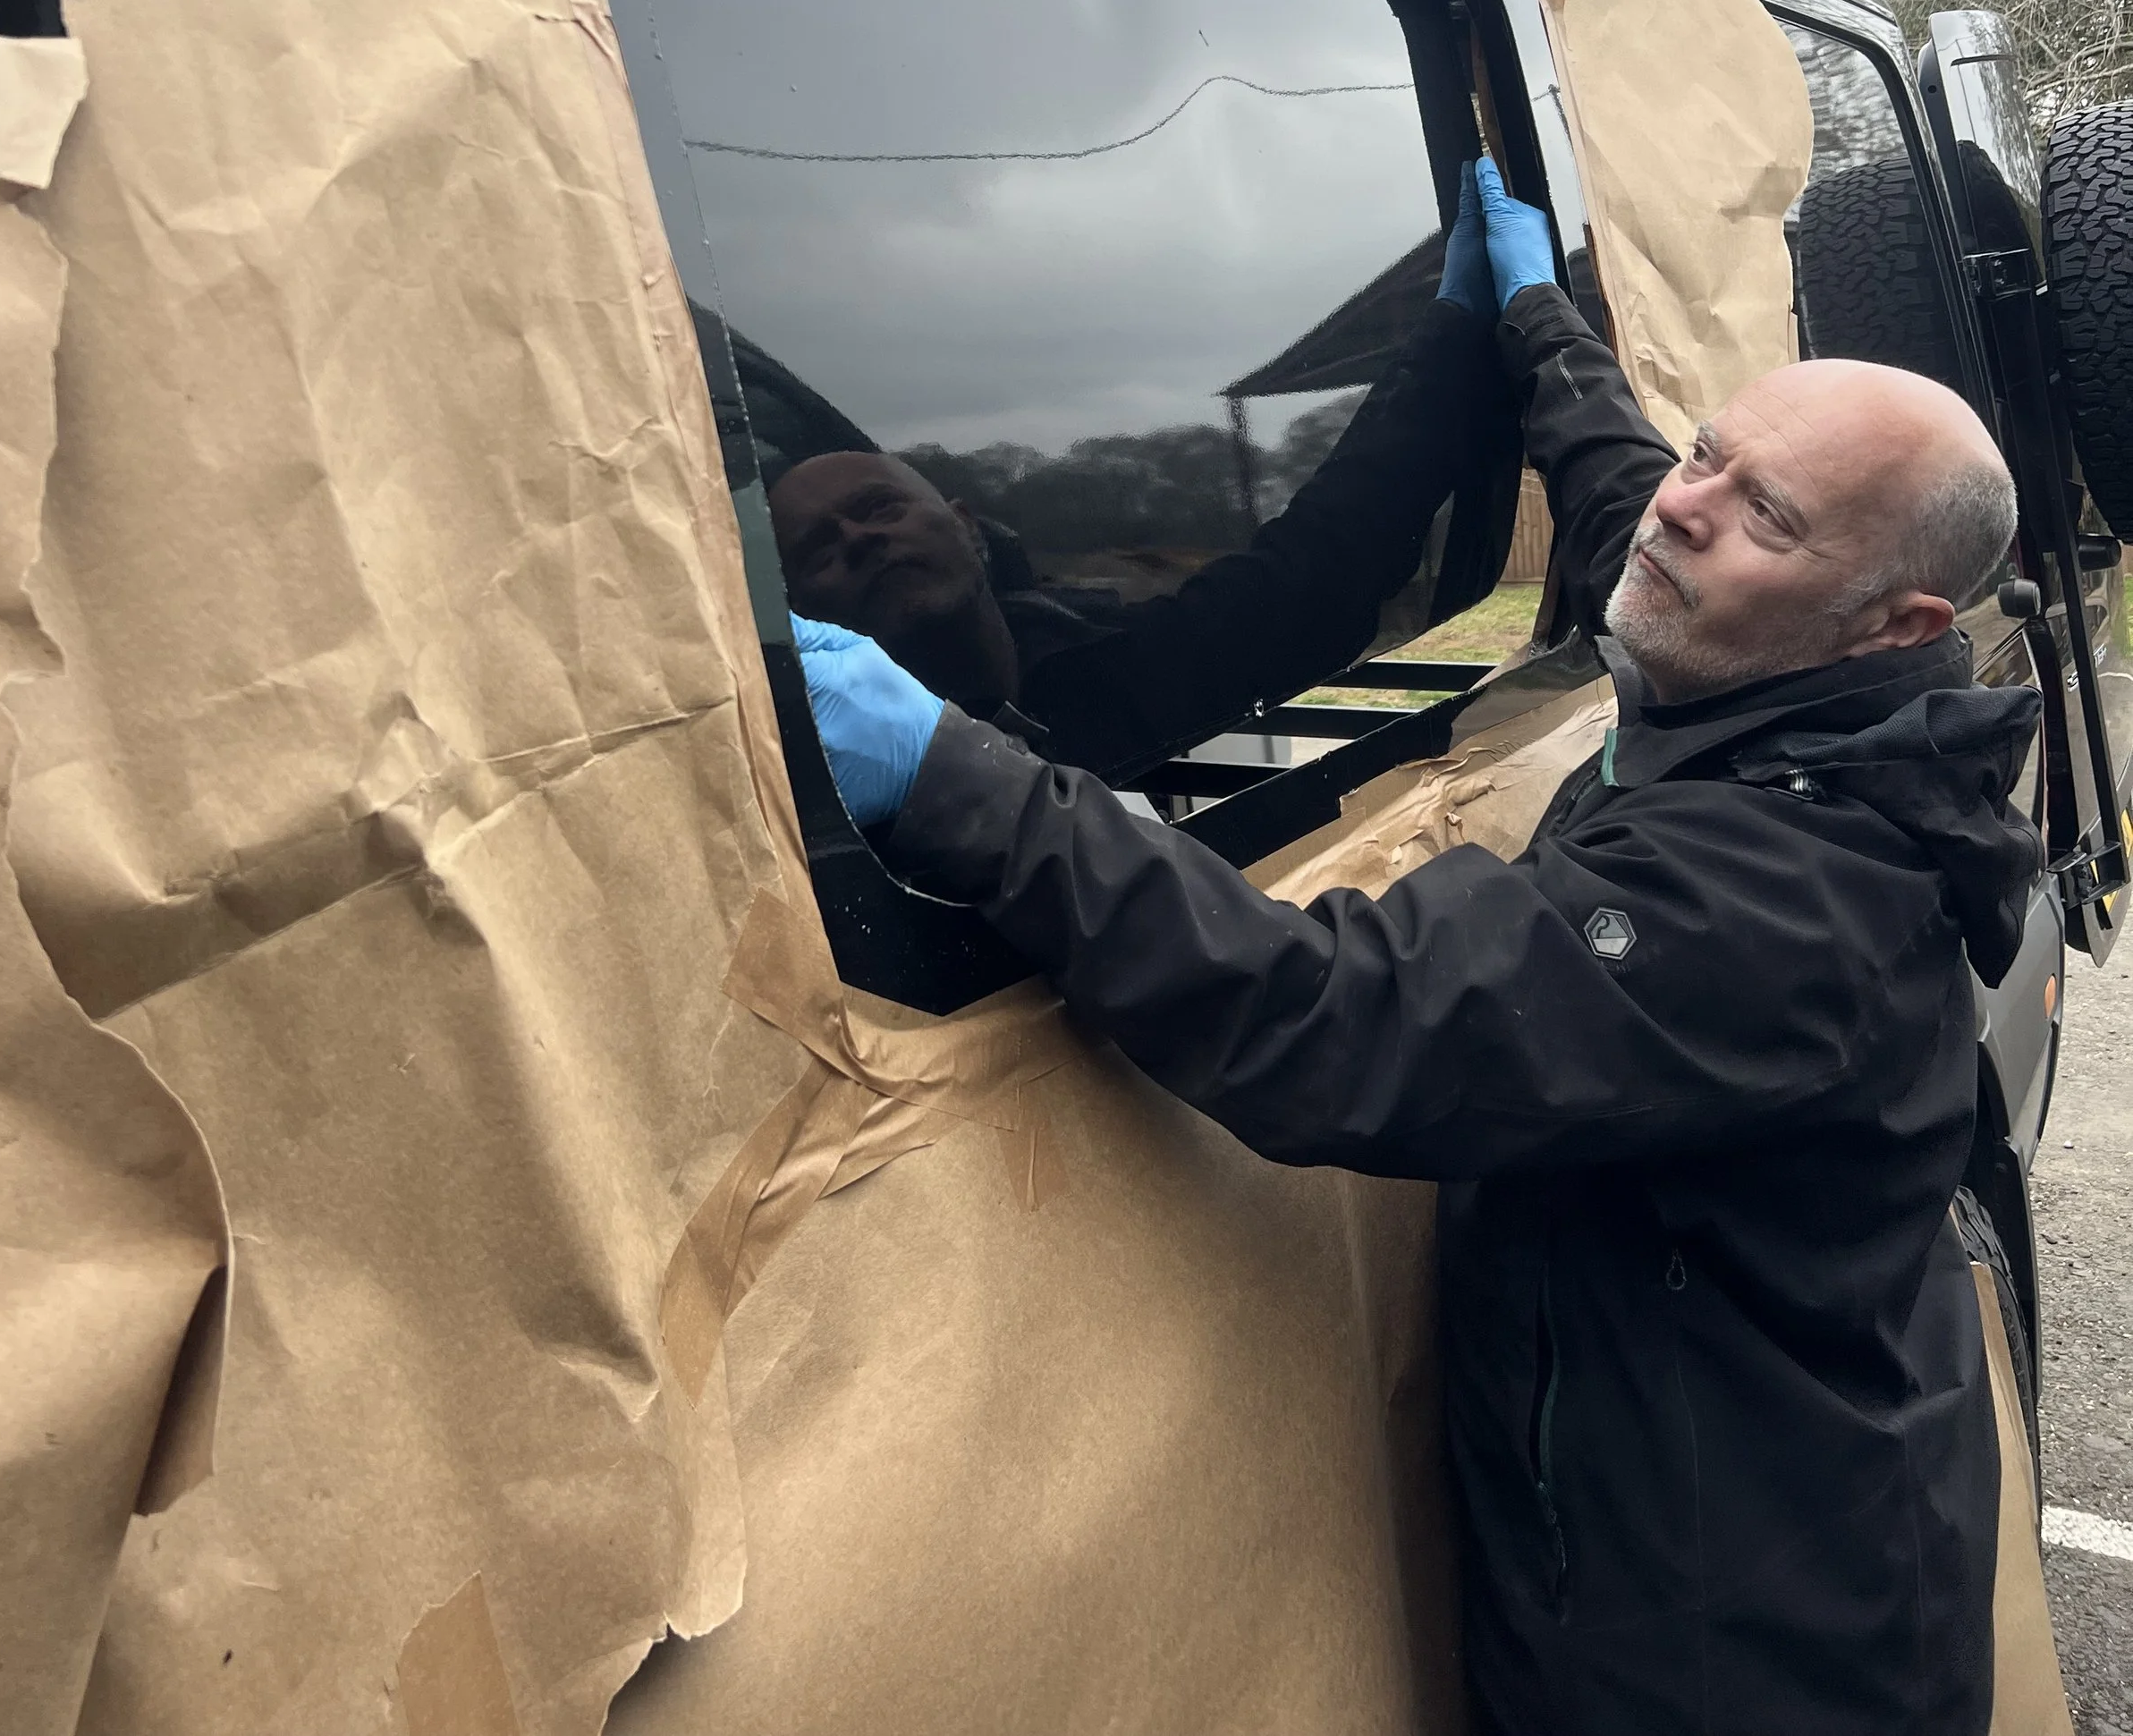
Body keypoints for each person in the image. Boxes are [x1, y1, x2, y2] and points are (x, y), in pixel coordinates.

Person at [792, 161, 2037, 1736]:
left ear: (1894, 624)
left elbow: (1339, 1015)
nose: (1685, 504)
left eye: (1764, 511)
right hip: (1713, 1527)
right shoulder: (1761, 655)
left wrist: (947, 771)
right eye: (1710, 447)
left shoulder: (1791, 893)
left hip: (1746, 1654)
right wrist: (1519, 313)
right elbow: (1615, 493)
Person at [767, 269, 1520, 787]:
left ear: (969, 529)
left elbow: (1325, 556)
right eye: (819, 548)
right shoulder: (812, 789)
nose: (858, 538)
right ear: (796, 613)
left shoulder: (1120, 672)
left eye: (877, 508)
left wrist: (1454, 327)